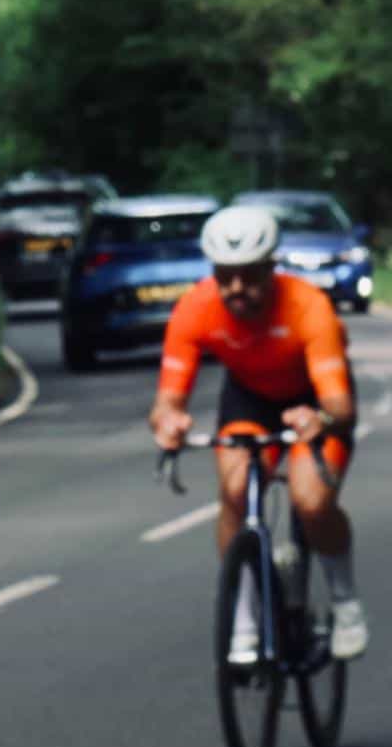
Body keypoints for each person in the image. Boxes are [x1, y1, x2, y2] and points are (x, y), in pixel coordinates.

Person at [149, 206, 368, 665]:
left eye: (249, 276)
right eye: (225, 276)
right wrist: (169, 422)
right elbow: (168, 401)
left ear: (272, 268)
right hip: (250, 400)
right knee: (235, 491)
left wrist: (321, 421)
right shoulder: (195, 307)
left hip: (314, 401)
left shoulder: (308, 307)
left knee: (311, 502)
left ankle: (344, 602)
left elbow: (340, 406)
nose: (236, 289)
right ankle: (246, 619)